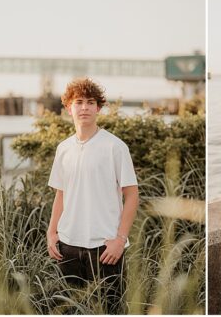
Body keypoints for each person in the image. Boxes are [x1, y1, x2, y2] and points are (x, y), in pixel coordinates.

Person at [46, 78, 139, 313]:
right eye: (79, 102)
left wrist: (120, 240)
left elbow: (132, 195)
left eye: (90, 102)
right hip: (68, 246)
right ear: (69, 108)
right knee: (72, 310)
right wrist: (51, 232)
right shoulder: (63, 149)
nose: (84, 107)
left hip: (105, 248)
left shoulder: (115, 147)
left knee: (109, 310)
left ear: (98, 108)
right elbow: (61, 194)